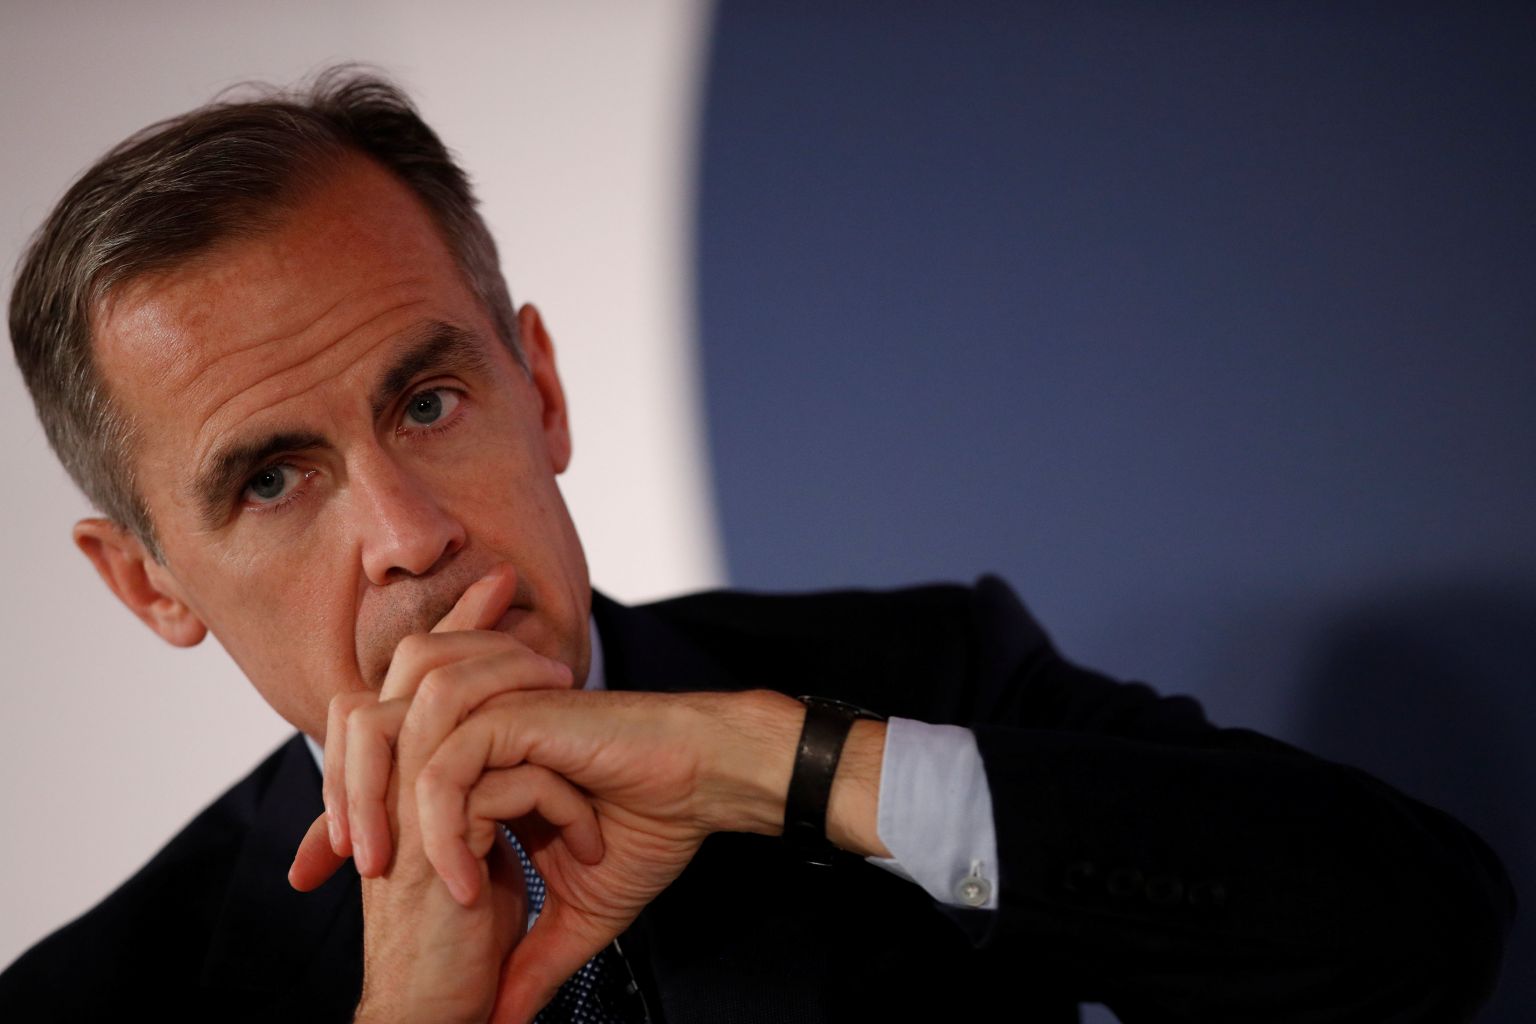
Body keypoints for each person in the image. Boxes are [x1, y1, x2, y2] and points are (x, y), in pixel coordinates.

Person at [0, 68, 1515, 1024]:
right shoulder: (91, 1005)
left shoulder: (918, 673)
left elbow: (1425, 936)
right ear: (148, 583)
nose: (408, 535)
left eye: (431, 401)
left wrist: (779, 768)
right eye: (274, 480)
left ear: (542, 389)